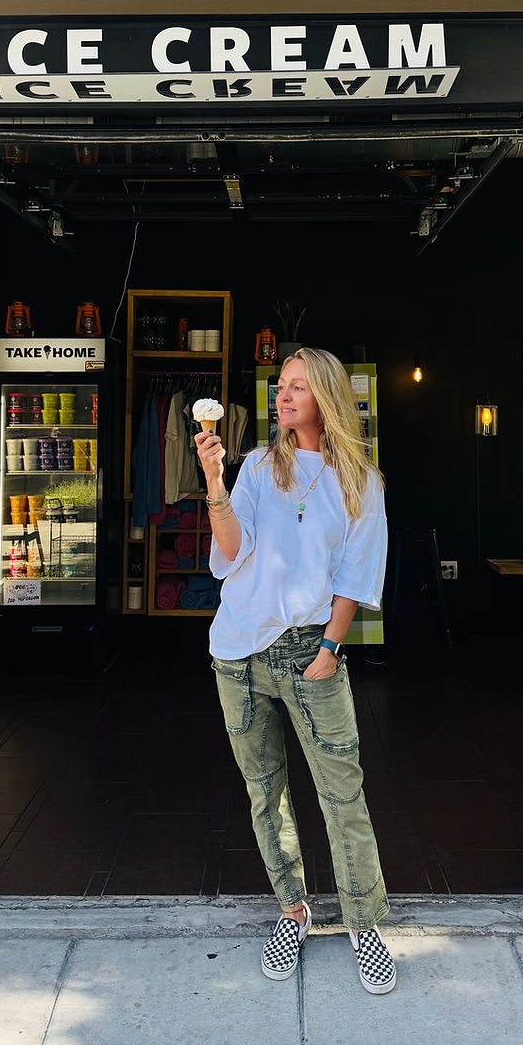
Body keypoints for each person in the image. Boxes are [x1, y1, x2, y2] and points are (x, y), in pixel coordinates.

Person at [195, 347, 395, 995]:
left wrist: (330, 649)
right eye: (279, 387)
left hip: (308, 650)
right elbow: (230, 552)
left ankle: (364, 924)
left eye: (297, 388)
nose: (281, 397)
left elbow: (355, 577)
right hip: (238, 652)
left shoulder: (361, 480)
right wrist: (215, 483)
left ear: (327, 398)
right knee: (265, 792)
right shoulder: (255, 465)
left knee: (342, 793)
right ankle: (293, 910)